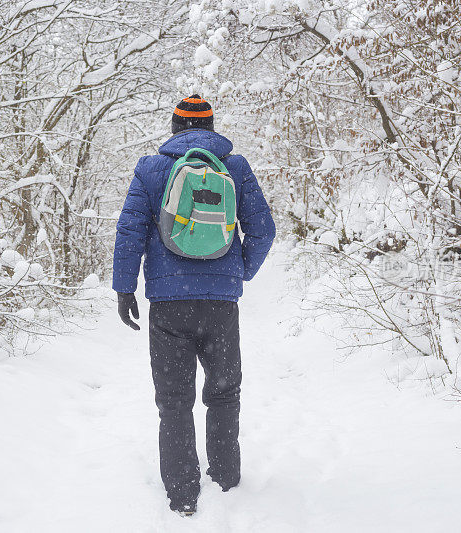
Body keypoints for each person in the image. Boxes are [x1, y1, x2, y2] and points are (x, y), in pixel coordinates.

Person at [112, 94, 275, 516]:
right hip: (220, 305)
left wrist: (124, 288)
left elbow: (129, 231)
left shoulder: (151, 169)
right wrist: (239, 272)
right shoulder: (234, 168)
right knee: (223, 394)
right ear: (211, 126)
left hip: (169, 305)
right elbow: (264, 229)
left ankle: (183, 496)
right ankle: (225, 482)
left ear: (174, 127)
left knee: (174, 399)